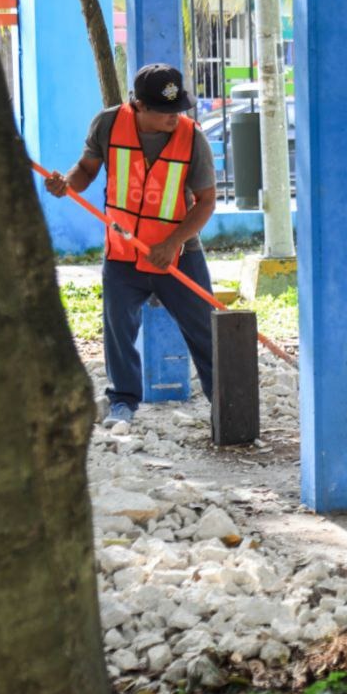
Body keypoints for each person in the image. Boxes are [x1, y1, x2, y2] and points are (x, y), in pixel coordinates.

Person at [46, 63, 217, 427]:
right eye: (164, 110)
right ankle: (122, 401)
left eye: (179, 107)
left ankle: (226, 402)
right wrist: (68, 184)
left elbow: (206, 202)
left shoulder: (192, 137)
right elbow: (86, 170)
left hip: (178, 256)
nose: (175, 116)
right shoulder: (108, 124)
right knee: (118, 330)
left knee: (206, 331)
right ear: (139, 105)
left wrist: (172, 244)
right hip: (123, 253)